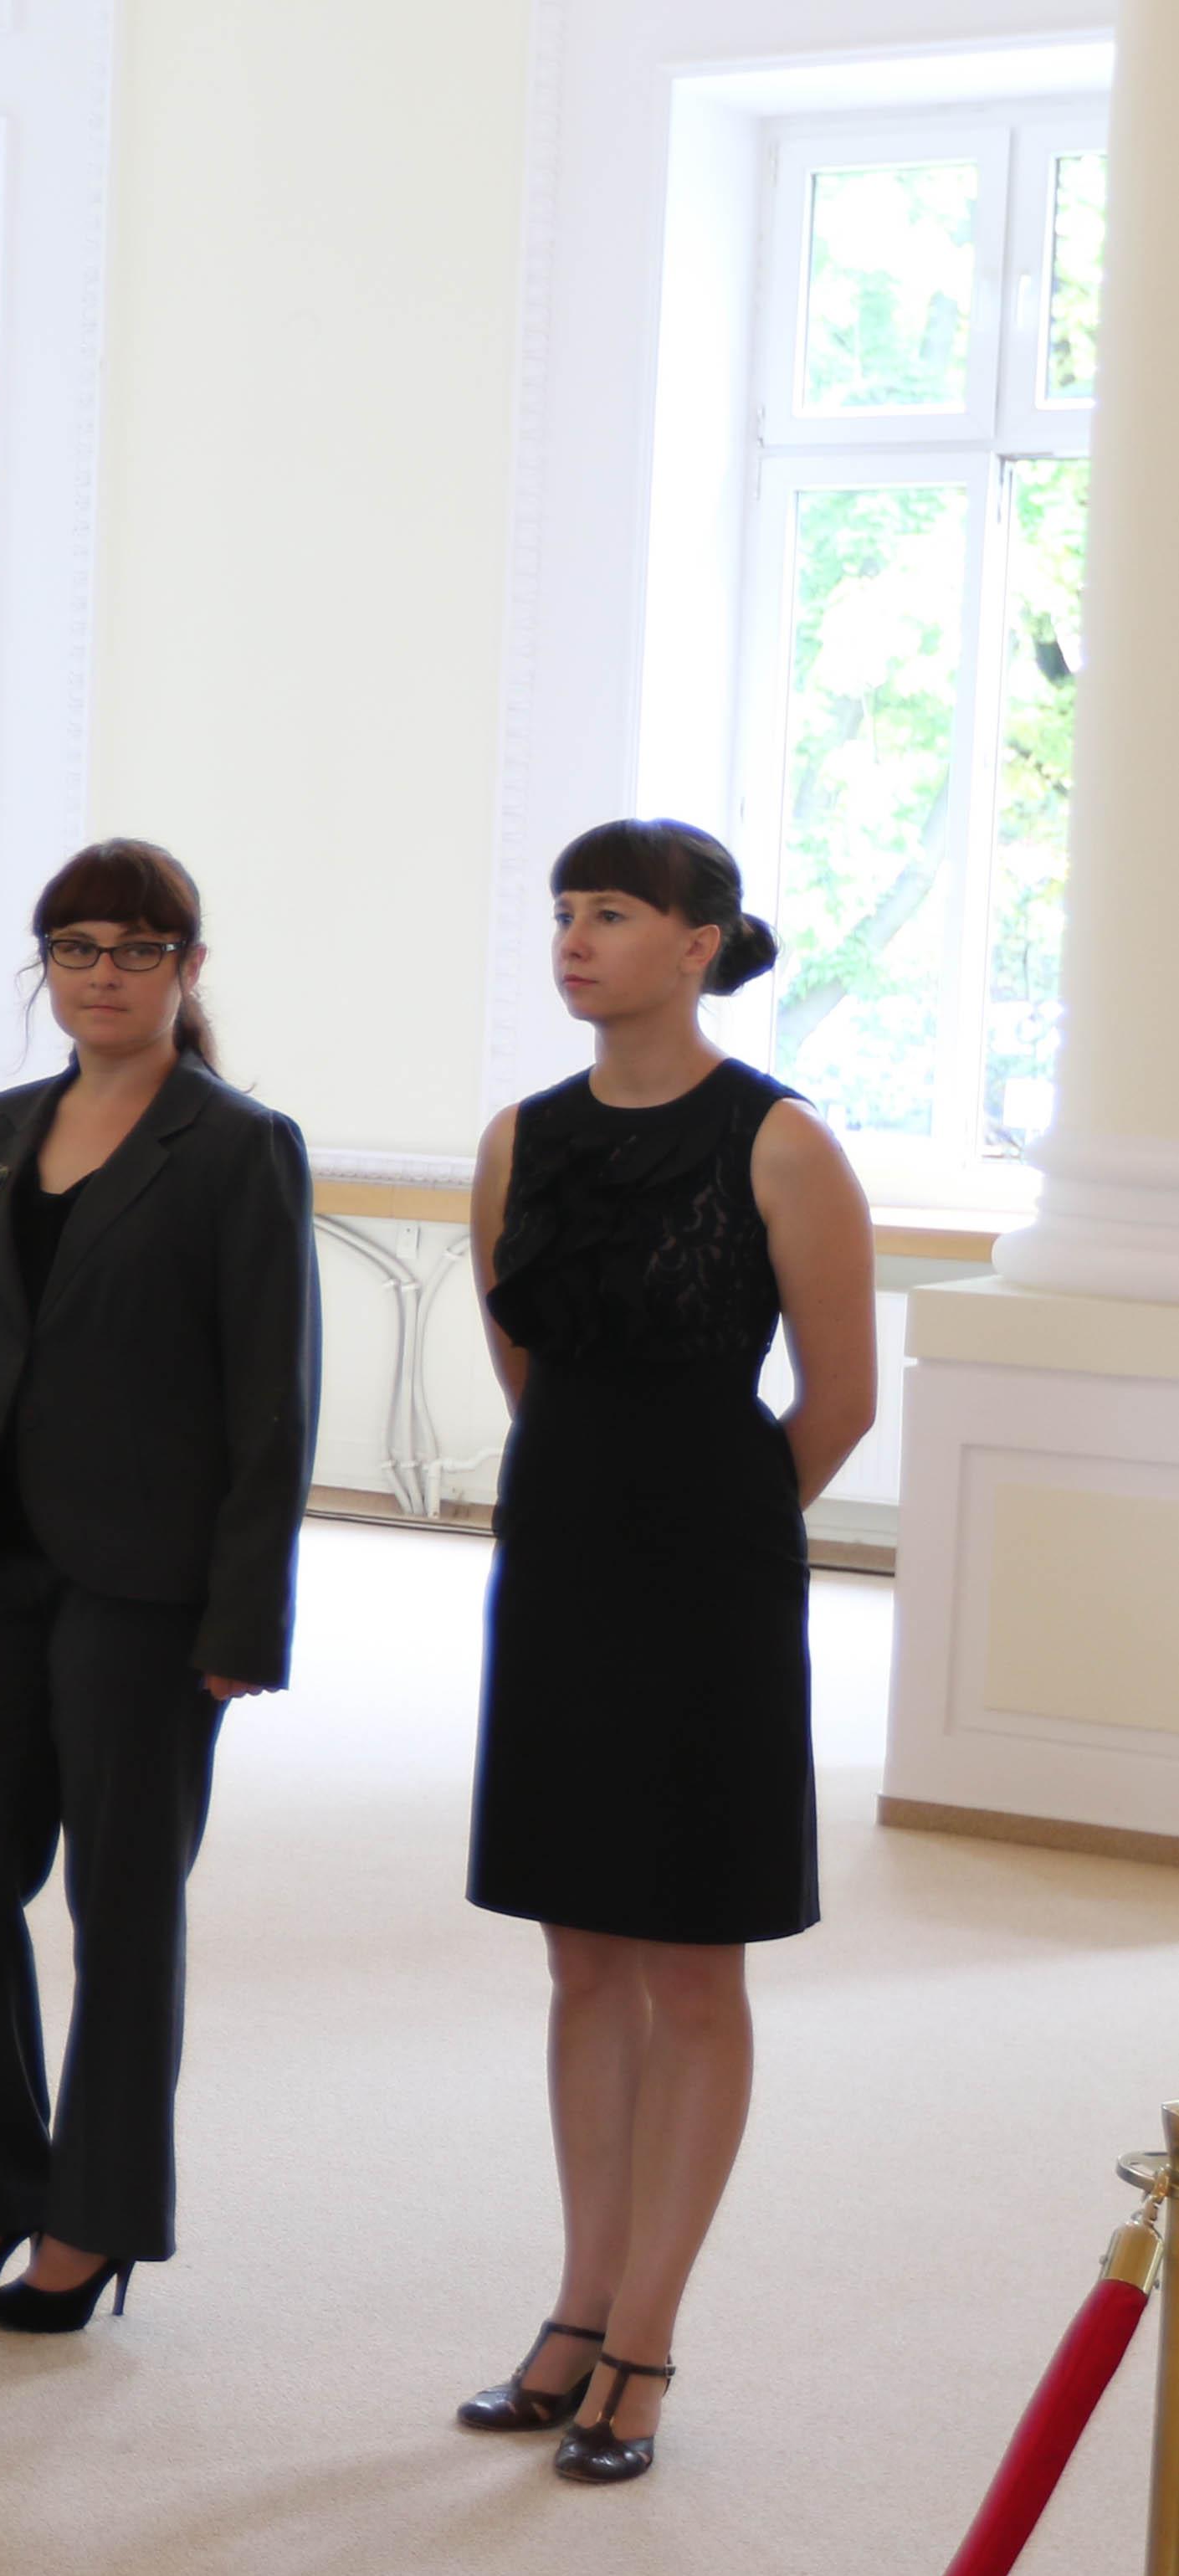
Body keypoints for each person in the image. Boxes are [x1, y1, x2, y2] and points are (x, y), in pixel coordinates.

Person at [454, 818, 873, 2486]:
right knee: (579, 1960)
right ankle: (576, 2303)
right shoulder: (518, 1138)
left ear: (698, 944)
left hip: (712, 1582)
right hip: (557, 1561)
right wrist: (600, 1516)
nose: (574, 937)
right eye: (564, 910)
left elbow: (838, 1399)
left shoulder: (781, 1141)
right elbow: (527, 1372)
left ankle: (645, 2335)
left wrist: (712, 1534)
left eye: (611, 912)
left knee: (693, 1966)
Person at [0, 839, 320, 2330]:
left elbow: (272, 1405)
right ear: (42, 968)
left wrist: (247, 1619)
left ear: (188, 968)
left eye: (135, 949)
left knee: (122, 1909)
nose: (103, 975)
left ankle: (95, 2220)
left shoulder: (238, 1146)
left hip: (149, 1588)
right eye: (75, 949)